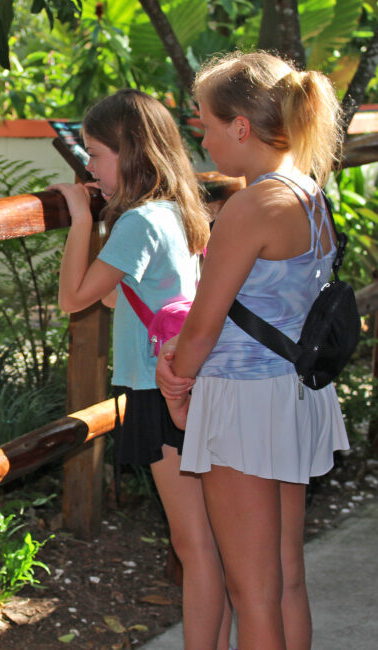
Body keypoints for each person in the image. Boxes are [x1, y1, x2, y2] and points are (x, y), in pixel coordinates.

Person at [156, 51, 350, 649]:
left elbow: (205, 324)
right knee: (286, 579)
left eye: (207, 124)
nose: (204, 138)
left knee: (252, 592)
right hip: (295, 396)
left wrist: (175, 379)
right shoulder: (309, 195)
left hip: (244, 406)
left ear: (241, 125)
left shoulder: (251, 206)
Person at [49, 89, 232, 649]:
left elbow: (75, 299)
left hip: (158, 393)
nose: (89, 167)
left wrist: (81, 219)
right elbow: (115, 300)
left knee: (194, 545)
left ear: (129, 154)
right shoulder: (179, 210)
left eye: (96, 154)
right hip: (194, 382)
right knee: (212, 544)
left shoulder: (138, 224)